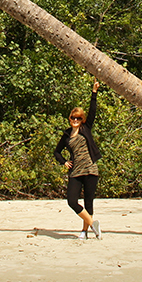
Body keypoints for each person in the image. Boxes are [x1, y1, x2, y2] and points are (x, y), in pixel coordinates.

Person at [54, 79, 103, 240]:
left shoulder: (85, 128)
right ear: (69, 119)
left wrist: (94, 92)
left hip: (90, 169)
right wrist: (64, 162)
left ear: (82, 120)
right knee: (72, 201)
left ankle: (85, 231)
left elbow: (93, 111)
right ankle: (93, 223)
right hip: (76, 171)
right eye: (73, 118)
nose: (75, 120)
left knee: (89, 202)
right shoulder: (67, 134)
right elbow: (57, 152)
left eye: (78, 118)